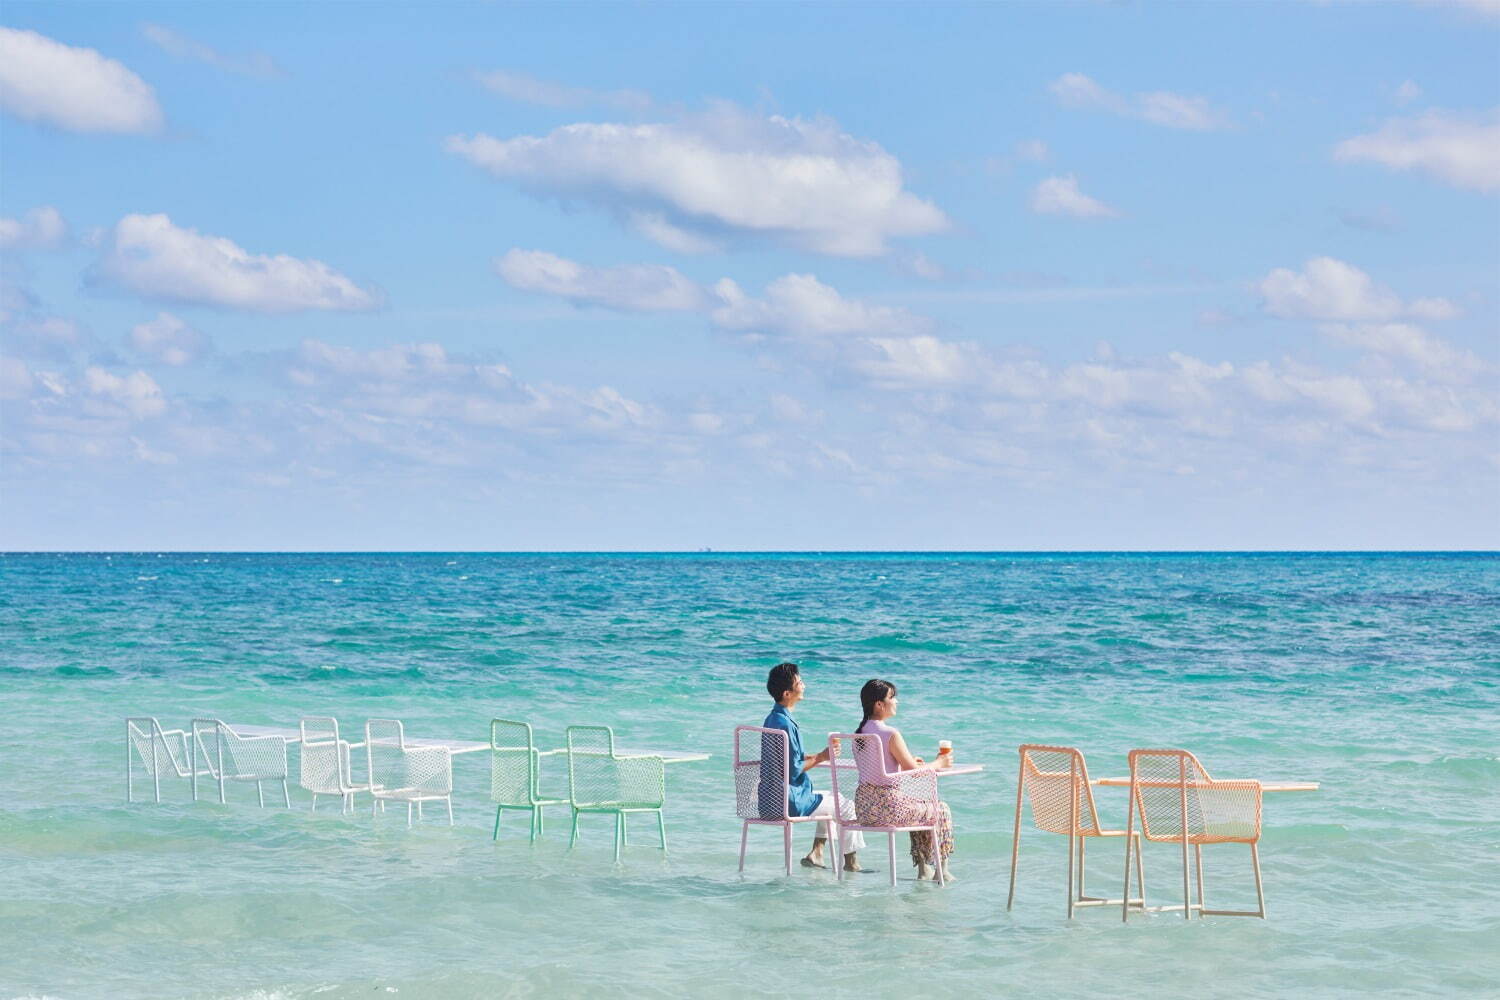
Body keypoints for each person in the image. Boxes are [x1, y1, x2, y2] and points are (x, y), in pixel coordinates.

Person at [761, 662, 866, 871]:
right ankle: (852, 864)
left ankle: (817, 853)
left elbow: (785, 760)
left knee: (829, 797)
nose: (804, 685)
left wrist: (818, 756)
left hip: (769, 799)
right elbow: (791, 771)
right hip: (790, 801)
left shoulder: (772, 719)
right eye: (800, 682)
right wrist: (820, 757)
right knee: (847, 806)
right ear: (787, 693)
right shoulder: (786, 725)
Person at [850, 678, 955, 881]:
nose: (896, 702)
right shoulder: (890, 733)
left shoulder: (858, 735)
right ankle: (942, 870)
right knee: (940, 809)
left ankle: (924, 869)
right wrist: (939, 763)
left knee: (918, 807)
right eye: (892, 697)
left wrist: (905, 760)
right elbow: (914, 772)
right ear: (879, 704)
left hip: (864, 808)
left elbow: (880, 767)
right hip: (889, 809)